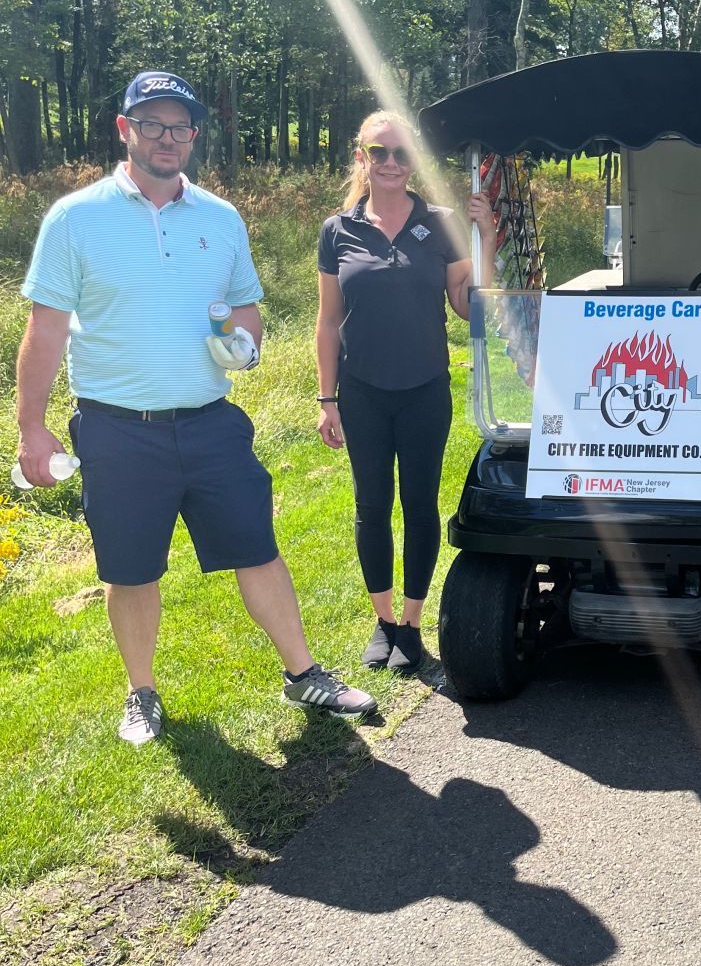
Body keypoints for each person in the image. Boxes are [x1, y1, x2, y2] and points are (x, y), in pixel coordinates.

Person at [15, 70, 377, 744]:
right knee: (130, 568)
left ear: (194, 136)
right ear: (125, 130)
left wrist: (243, 345)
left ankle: (304, 676)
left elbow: (245, 309)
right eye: (151, 125)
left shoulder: (220, 217)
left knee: (258, 548)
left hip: (210, 421)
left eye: (179, 126)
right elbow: (46, 327)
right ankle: (141, 692)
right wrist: (30, 429)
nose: (166, 138)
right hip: (117, 429)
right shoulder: (75, 217)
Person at [316, 111, 496, 675]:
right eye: (379, 153)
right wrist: (327, 400)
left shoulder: (441, 224)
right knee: (372, 508)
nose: (391, 164)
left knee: (419, 507)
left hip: (424, 390)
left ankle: (413, 627)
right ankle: (384, 621)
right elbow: (327, 322)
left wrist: (486, 240)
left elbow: (470, 308)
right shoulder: (337, 229)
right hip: (362, 392)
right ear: (362, 157)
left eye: (401, 154)